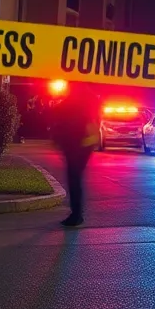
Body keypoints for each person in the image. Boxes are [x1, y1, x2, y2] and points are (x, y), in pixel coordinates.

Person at [49, 83, 99, 227]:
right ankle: (76, 213)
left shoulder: (73, 101)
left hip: (76, 142)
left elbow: (63, 116)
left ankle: (76, 215)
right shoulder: (91, 98)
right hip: (85, 142)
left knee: (74, 177)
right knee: (76, 177)